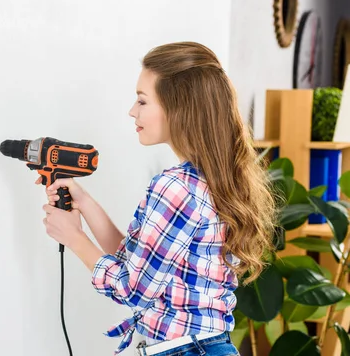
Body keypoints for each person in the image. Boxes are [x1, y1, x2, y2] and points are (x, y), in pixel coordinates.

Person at [35, 42, 276, 356]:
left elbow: (132, 289)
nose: (132, 111)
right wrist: (85, 203)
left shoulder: (175, 187)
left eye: (142, 101)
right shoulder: (208, 180)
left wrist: (74, 237)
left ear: (179, 108)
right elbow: (142, 267)